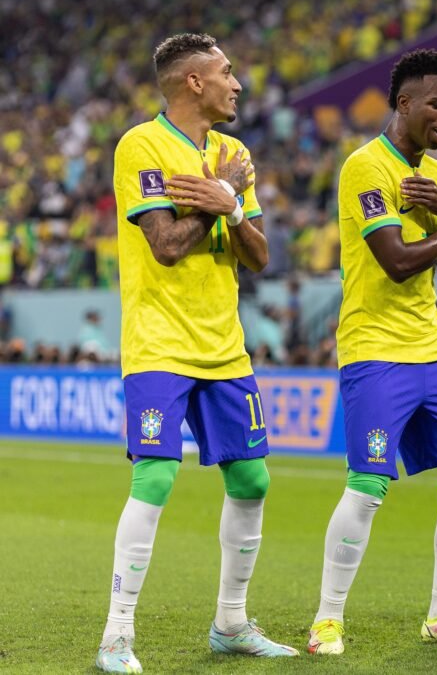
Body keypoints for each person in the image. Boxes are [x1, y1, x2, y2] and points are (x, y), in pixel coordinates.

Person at [98, 33, 296, 673]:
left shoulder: (234, 155)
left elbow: (259, 255)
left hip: (225, 347)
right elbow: (164, 245)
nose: (237, 84)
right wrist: (219, 203)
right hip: (160, 341)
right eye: (226, 72)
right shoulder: (142, 145)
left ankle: (231, 624)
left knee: (253, 479)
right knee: (156, 475)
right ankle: (116, 636)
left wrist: (230, 204)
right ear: (193, 82)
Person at [307, 49, 437, 656]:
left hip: (433, 348)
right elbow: (395, 261)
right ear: (404, 102)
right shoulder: (366, 167)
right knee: (368, 485)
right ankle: (327, 620)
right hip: (375, 348)